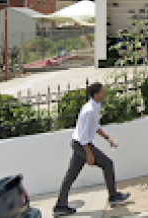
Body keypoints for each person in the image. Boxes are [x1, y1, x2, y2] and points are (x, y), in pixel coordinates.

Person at [54, 83, 131, 216]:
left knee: (70, 176)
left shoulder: (95, 106)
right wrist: (89, 155)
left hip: (79, 144)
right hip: (82, 144)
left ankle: (60, 206)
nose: (105, 93)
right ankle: (113, 196)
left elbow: (95, 127)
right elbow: (84, 135)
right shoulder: (89, 110)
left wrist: (108, 138)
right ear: (96, 94)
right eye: (102, 91)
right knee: (107, 164)